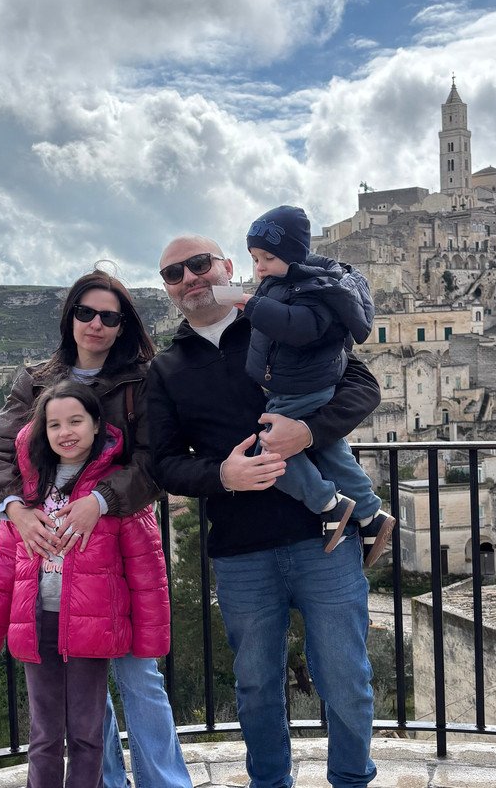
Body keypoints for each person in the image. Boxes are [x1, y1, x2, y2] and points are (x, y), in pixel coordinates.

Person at [147, 234, 381, 788]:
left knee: (345, 676)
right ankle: (269, 784)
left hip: (323, 534)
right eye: (173, 274)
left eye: (199, 264)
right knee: (254, 684)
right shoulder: (168, 368)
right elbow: (163, 464)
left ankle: (351, 780)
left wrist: (309, 432)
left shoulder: (282, 321)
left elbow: (362, 385)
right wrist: (221, 476)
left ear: (227, 267)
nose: (189, 279)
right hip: (240, 548)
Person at [0, 270, 190, 788]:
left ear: (123, 326)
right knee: (82, 681)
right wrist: (15, 509)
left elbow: (154, 461)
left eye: (109, 316)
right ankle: (108, 783)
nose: (95, 324)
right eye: (85, 312)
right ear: (69, 316)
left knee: (139, 675)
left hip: (119, 544)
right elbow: (0, 452)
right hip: (52, 549)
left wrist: (101, 500)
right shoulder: (35, 380)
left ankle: (165, 782)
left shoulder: (143, 380)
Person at [0, 380, 171, 788]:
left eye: (76, 420)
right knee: (43, 736)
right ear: (42, 431)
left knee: (86, 736)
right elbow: (4, 565)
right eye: (54, 424)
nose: (66, 432)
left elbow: (148, 573)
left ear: (97, 425)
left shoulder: (114, 491)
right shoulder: (26, 492)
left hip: (91, 629)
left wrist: (150, 640)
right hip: (36, 624)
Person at [235, 205, 395, 565]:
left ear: (292, 255)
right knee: (331, 451)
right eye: (254, 258)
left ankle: (329, 505)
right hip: (298, 386)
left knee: (270, 456)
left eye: (267, 257)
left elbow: (299, 327)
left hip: (299, 389)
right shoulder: (288, 284)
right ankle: (371, 514)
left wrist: (251, 305)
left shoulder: (314, 290)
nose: (258, 267)